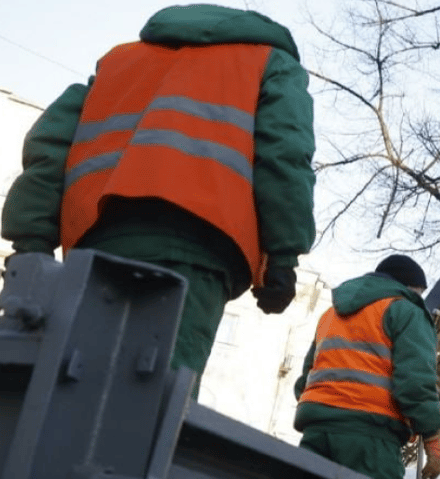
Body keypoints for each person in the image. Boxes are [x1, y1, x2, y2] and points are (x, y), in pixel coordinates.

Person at [1, 4, 315, 396]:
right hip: (199, 249)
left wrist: (31, 244)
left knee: (72, 389)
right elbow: (285, 155)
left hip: (98, 245)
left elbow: (50, 147)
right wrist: (283, 257)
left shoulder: (119, 61)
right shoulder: (271, 63)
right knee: (155, 399)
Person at [294, 255, 440, 479]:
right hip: (370, 437)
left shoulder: (330, 315)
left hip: (317, 431)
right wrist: (432, 438)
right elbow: (416, 381)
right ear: (405, 287)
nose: (418, 299)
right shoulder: (404, 310)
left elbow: (305, 378)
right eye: (417, 292)